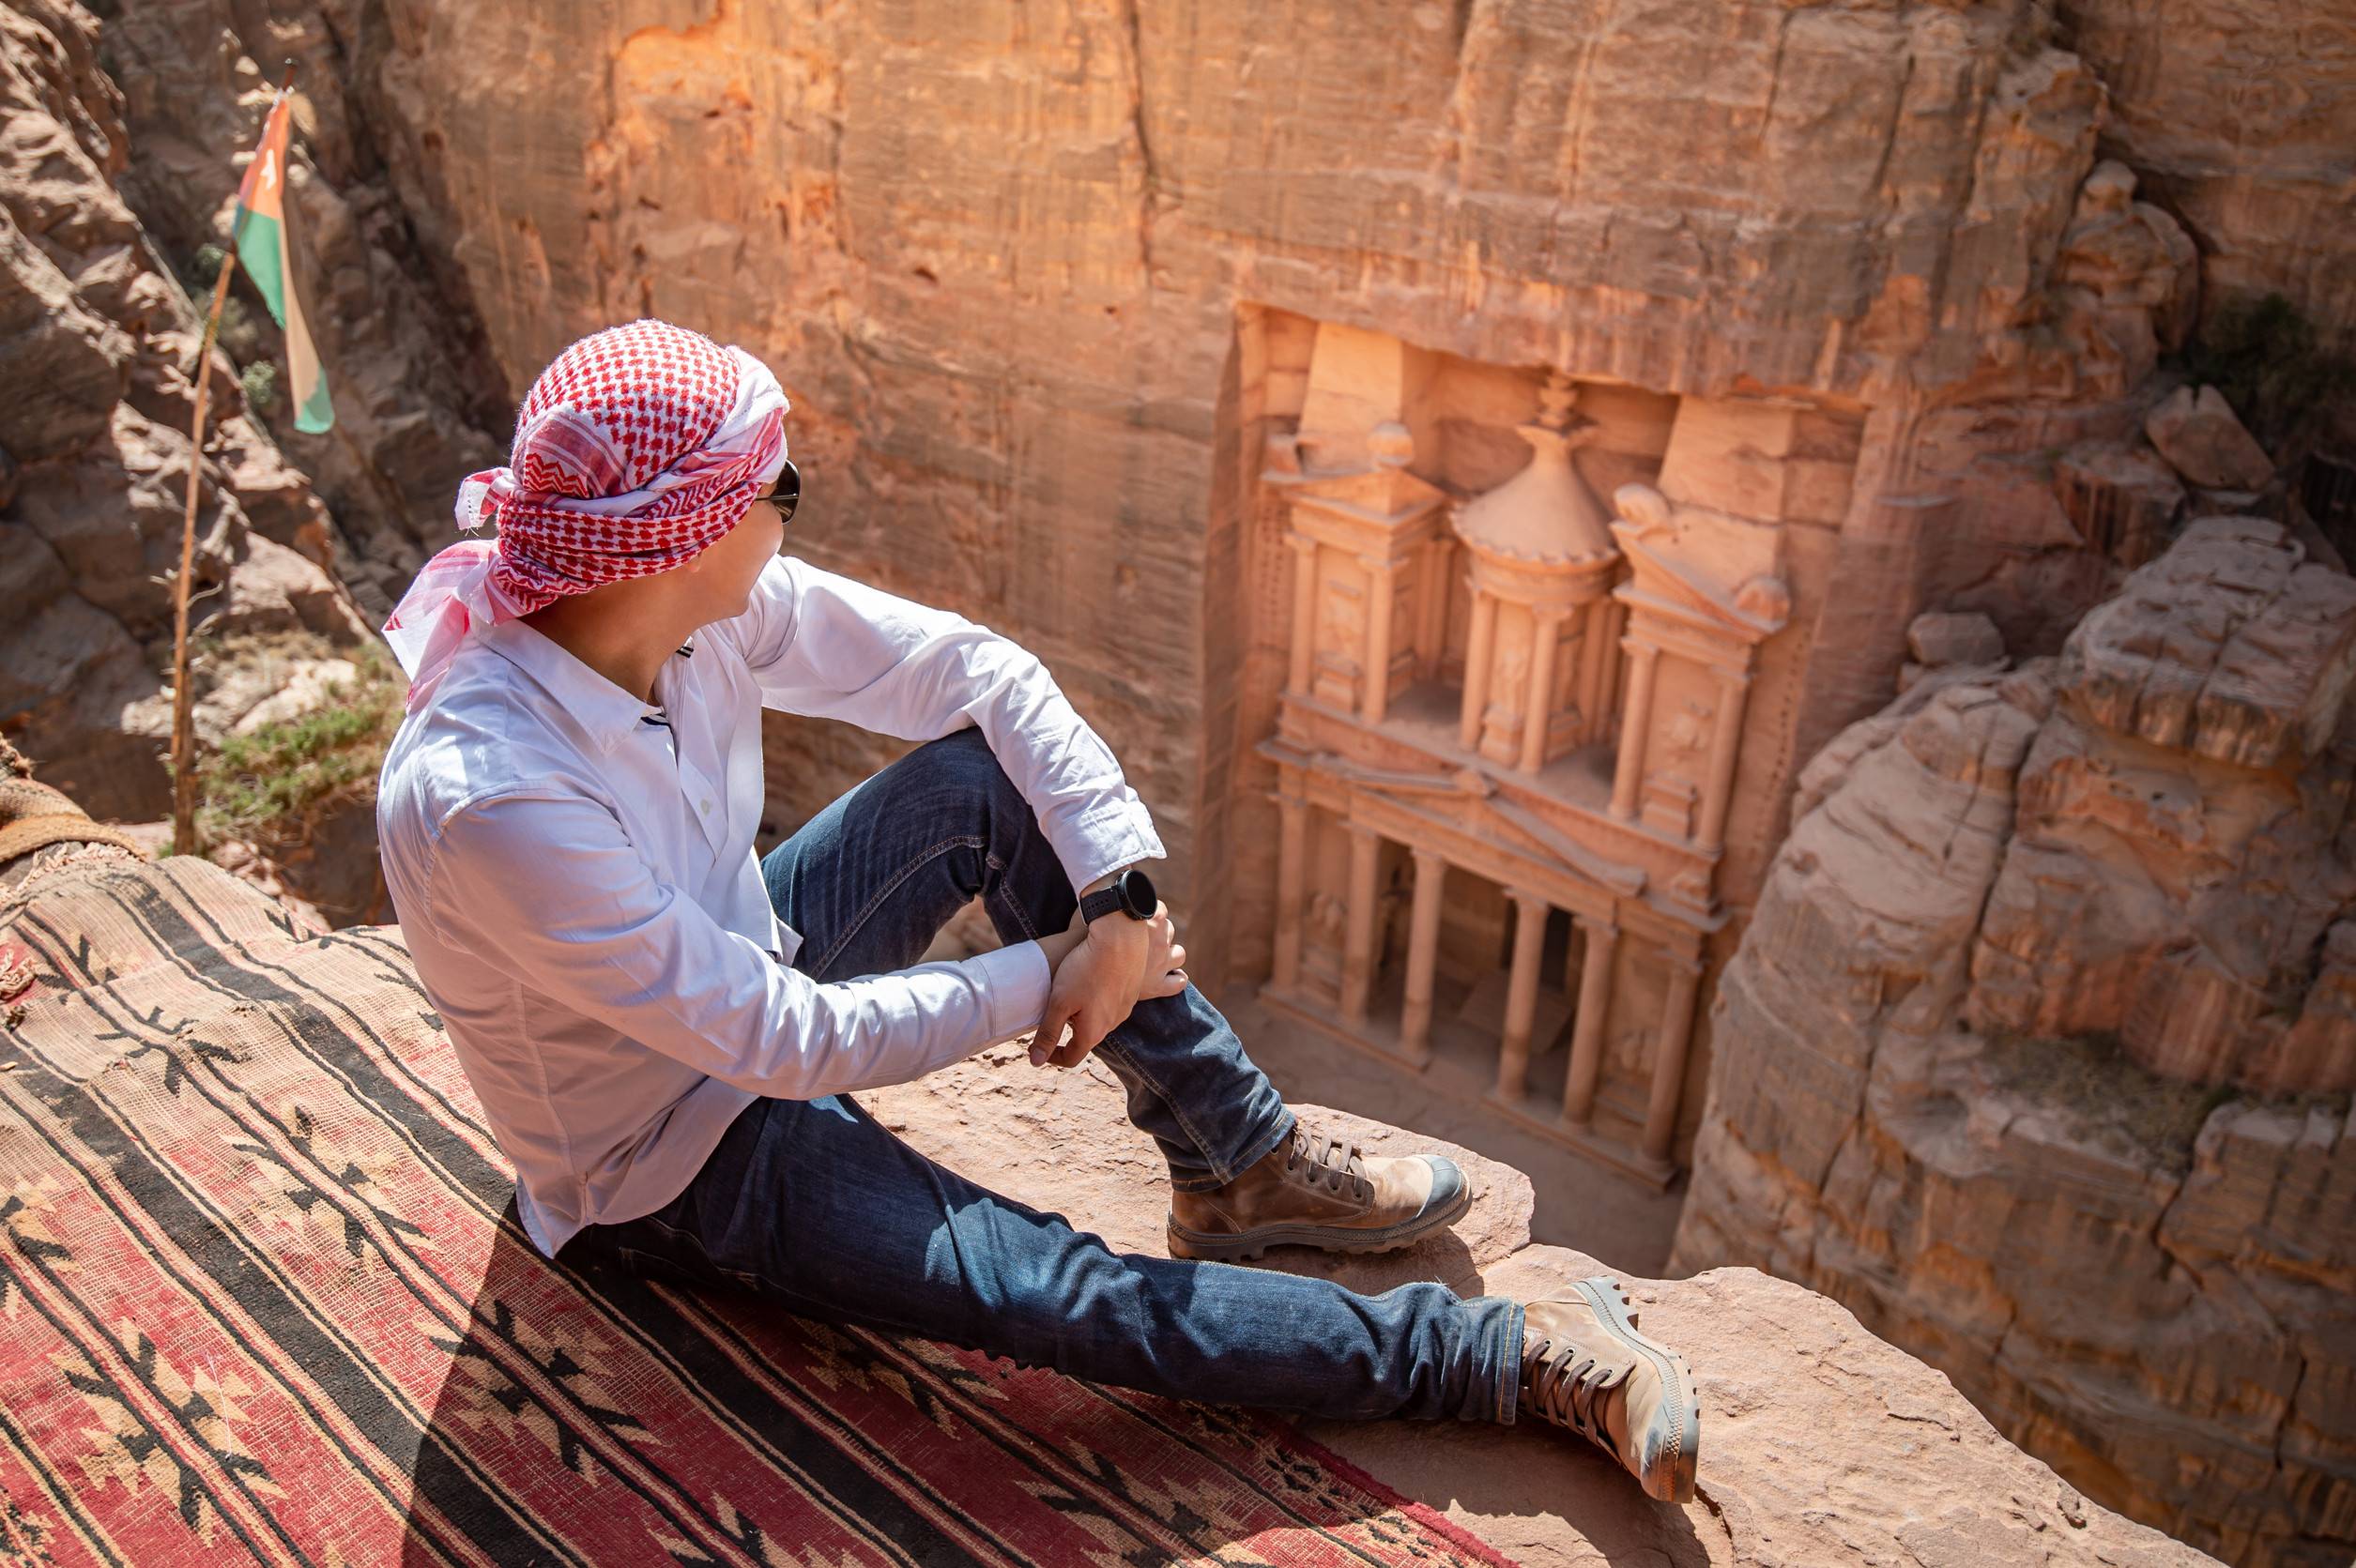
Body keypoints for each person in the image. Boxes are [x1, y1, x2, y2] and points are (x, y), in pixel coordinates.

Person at [375, 319, 1699, 1502]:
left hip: (734, 966)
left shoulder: (676, 615)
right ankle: (1508, 1358)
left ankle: (1237, 1163)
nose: (788, 515)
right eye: (778, 490)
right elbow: (779, 1045)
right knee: (1063, 1293)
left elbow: (971, 669)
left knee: (971, 784)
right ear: (691, 533)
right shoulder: (494, 799)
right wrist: (1057, 976)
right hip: (660, 1151)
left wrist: (1118, 899)